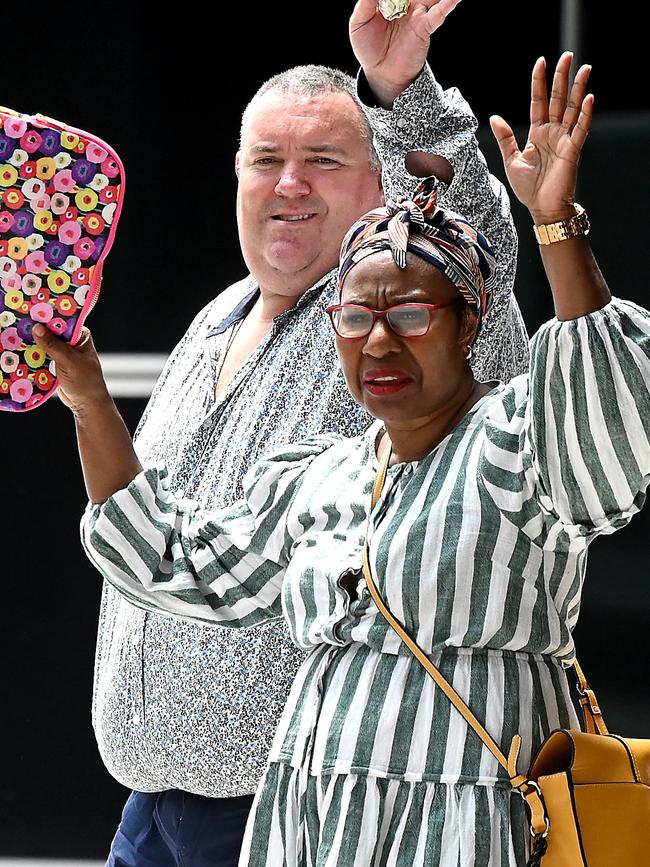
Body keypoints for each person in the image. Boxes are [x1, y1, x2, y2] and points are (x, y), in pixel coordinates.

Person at [37, 52, 650, 865]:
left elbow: (602, 434)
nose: (380, 338)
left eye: (408, 311)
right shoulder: (322, 473)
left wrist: (555, 227)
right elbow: (167, 555)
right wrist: (88, 402)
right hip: (302, 826)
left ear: (471, 322)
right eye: (357, 316)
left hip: (462, 826)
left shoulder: (516, 446)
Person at [82, 1, 528, 864]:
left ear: (384, 184)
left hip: (308, 813)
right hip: (150, 807)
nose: (289, 184)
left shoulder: (404, 322)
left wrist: (402, 90)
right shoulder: (217, 315)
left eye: (323, 161)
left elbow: (482, 253)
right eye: (267, 162)